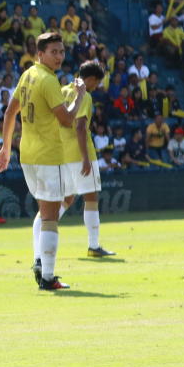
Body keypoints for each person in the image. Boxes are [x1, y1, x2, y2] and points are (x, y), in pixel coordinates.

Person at [0, 32, 85, 291]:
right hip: (47, 156)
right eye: (54, 52)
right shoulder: (47, 80)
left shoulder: (27, 75)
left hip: (28, 155)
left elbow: (11, 111)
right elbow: (67, 120)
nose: (59, 56)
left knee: (66, 197)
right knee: (49, 217)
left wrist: (6, 146)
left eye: (61, 51)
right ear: (40, 54)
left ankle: (39, 258)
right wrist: (79, 95)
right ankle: (47, 277)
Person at [60, 60, 115, 258]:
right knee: (91, 197)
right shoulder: (84, 95)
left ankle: (44, 228)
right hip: (80, 152)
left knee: (67, 198)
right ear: (90, 79)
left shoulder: (63, 90)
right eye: (97, 82)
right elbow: (81, 127)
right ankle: (94, 245)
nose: (97, 86)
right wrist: (85, 158)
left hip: (62, 152)